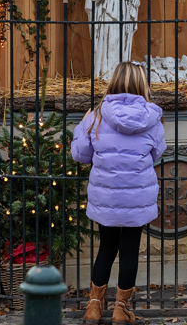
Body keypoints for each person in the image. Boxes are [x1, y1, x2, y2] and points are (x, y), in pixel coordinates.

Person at [71, 62, 167, 323]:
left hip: (107, 196)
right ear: (141, 84)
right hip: (137, 196)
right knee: (130, 250)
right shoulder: (152, 117)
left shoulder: (97, 115)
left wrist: (82, 126)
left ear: (113, 82)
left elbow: (80, 155)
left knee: (106, 247)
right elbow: (157, 153)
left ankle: (93, 306)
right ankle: (121, 310)